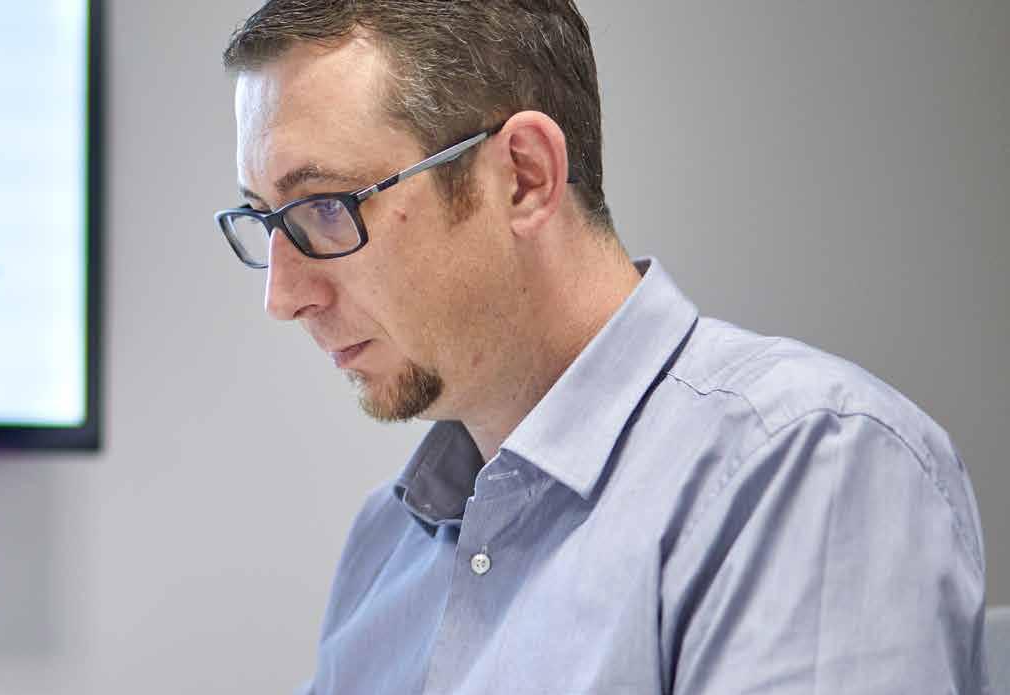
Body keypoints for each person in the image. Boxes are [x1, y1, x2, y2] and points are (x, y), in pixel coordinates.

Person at [213, 1, 988, 693]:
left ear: (523, 177)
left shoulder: (804, 465)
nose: (283, 297)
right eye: (263, 219)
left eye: (323, 208)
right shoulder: (385, 545)